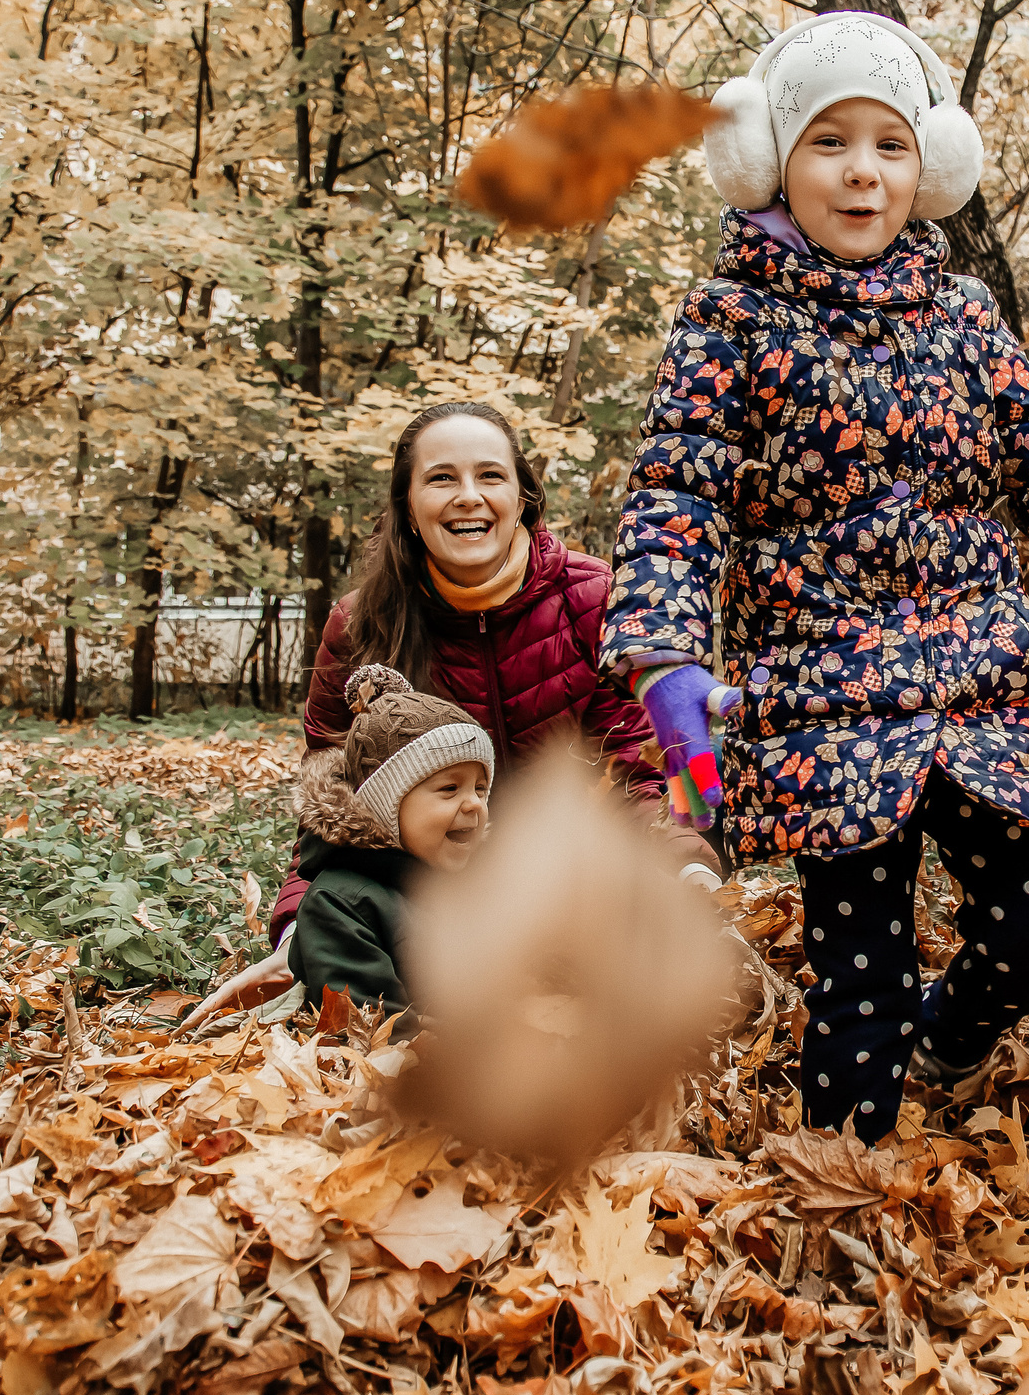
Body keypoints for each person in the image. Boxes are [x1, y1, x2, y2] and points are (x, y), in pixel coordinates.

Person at [601, 10, 1029, 1142]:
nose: (861, 173)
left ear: (929, 166)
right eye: (828, 142)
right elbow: (677, 494)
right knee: (861, 976)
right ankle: (842, 1187)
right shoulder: (729, 320)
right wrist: (666, 661)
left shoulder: (965, 318)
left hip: (980, 680)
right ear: (771, 159)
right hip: (828, 696)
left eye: (889, 144)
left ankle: (947, 1046)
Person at [182, 401, 709, 1030]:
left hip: (569, 880)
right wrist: (298, 929)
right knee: (339, 912)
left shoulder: (595, 599)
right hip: (431, 896)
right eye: (440, 478)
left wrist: (688, 865)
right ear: (408, 505)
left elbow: (643, 769)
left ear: (522, 496)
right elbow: (336, 806)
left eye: (490, 476)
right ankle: (411, 1036)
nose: (468, 497)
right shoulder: (360, 625)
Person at [285, 665, 498, 1010]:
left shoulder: (472, 887)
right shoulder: (340, 903)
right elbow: (365, 1020)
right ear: (386, 805)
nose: (474, 803)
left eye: (480, 788)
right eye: (449, 788)